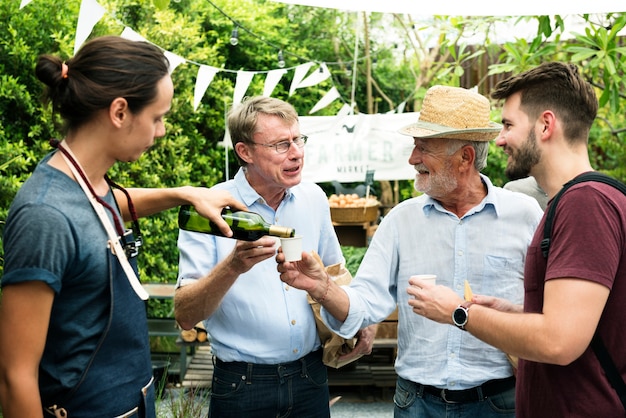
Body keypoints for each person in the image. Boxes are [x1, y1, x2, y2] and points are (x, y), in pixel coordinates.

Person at [0, 35, 246, 418]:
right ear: (119, 112)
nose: (161, 131)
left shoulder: (88, 184)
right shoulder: (44, 216)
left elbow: (99, 209)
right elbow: (15, 377)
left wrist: (184, 193)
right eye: (157, 117)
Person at [276, 85, 544, 417]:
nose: (412, 159)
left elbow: (547, 311)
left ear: (465, 158)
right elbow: (364, 303)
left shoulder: (526, 216)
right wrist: (323, 288)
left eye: (423, 148)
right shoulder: (401, 221)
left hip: (499, 403)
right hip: (417, 404)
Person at [408, 62, 626, 417]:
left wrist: (458, 313)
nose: (499, 139)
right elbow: (579, 323)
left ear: (545, 124)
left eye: (508, 125)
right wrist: (516, 314)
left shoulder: (585, 203)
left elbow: (559, 342)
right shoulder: (576, 200)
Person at [174, 96, 374, 418]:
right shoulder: (212, 208)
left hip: (310, 377)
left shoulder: (313, 198)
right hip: (242, 384)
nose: (297, 152)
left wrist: (359, 319)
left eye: (298, 139)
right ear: (245, 152)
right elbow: (185, 315)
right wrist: (233, 266)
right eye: (282, 145)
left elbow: (336, 275)